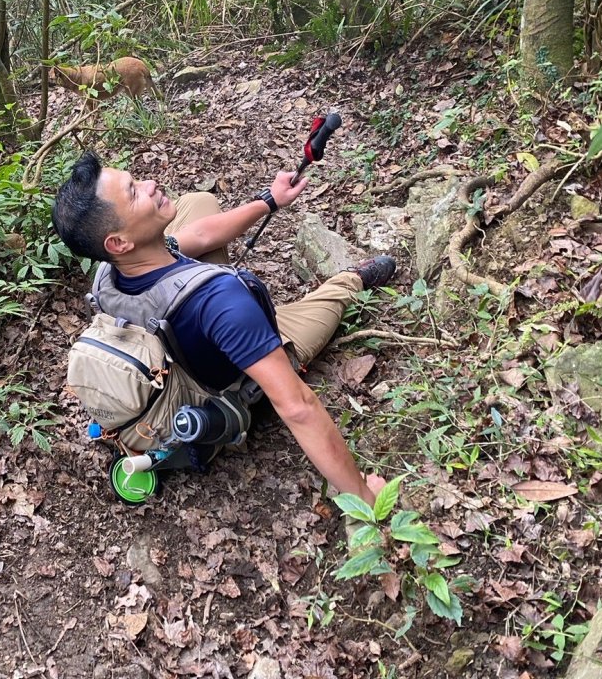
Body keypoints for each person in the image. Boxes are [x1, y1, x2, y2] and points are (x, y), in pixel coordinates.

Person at [52, 151, 393, 507]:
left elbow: (197, 235)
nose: (150, 184)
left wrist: (269, 201)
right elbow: (298, 407)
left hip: (178, 350)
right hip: (221, 383)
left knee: (199, 203)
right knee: (325, 306)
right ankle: (350, 281)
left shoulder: (108, 273)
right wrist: (365, 497)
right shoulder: (220, 301)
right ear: (118, 243)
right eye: (135, 192)